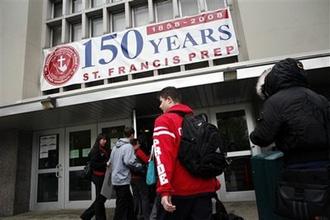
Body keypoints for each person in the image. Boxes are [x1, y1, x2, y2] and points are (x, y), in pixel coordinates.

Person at [152, 86, 220, 220]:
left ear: (169, 100)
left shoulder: (164, 120)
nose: (160, 106)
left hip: (180, 191)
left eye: (161, 102)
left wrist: (165, 190)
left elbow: (163, 156)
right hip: (206, 188)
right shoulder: (197, 121)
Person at [250, 58, 330, 165]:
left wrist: (254, 135)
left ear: (272, 81)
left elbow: (262, 137)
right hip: (326, 163)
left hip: (297, 166)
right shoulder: (320, 98)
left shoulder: (275, 102)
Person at [109, 127, 143, 220]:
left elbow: (110, 162)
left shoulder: (115, 146)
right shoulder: (128, 146)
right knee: (121, 205)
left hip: (115, 179)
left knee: (129, 202)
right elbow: (129, 161)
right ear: (132, 135)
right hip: (122, 179)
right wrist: (139, 166)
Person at [81, 133, 109, 220]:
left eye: (105, 139)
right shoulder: (95, 150)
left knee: (101, 198)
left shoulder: (103, 149)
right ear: (99, 140)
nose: (105, 141)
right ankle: (89, 215)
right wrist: (105, 164)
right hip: (98, 177)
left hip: (102, 176)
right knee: (101, 198)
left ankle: (89, 215)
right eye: (103, 139)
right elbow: (93, 164)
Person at [131, 138, 151, 220]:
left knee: (136, 197)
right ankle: (146, 217)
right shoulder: (138, 151)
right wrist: (150, 155)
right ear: (135, 145)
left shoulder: (129, 152)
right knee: (144, 197)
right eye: (138, 144)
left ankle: (136, 215)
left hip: (132, 178)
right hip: (140, 177)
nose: (139, 145)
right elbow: (147, 160)